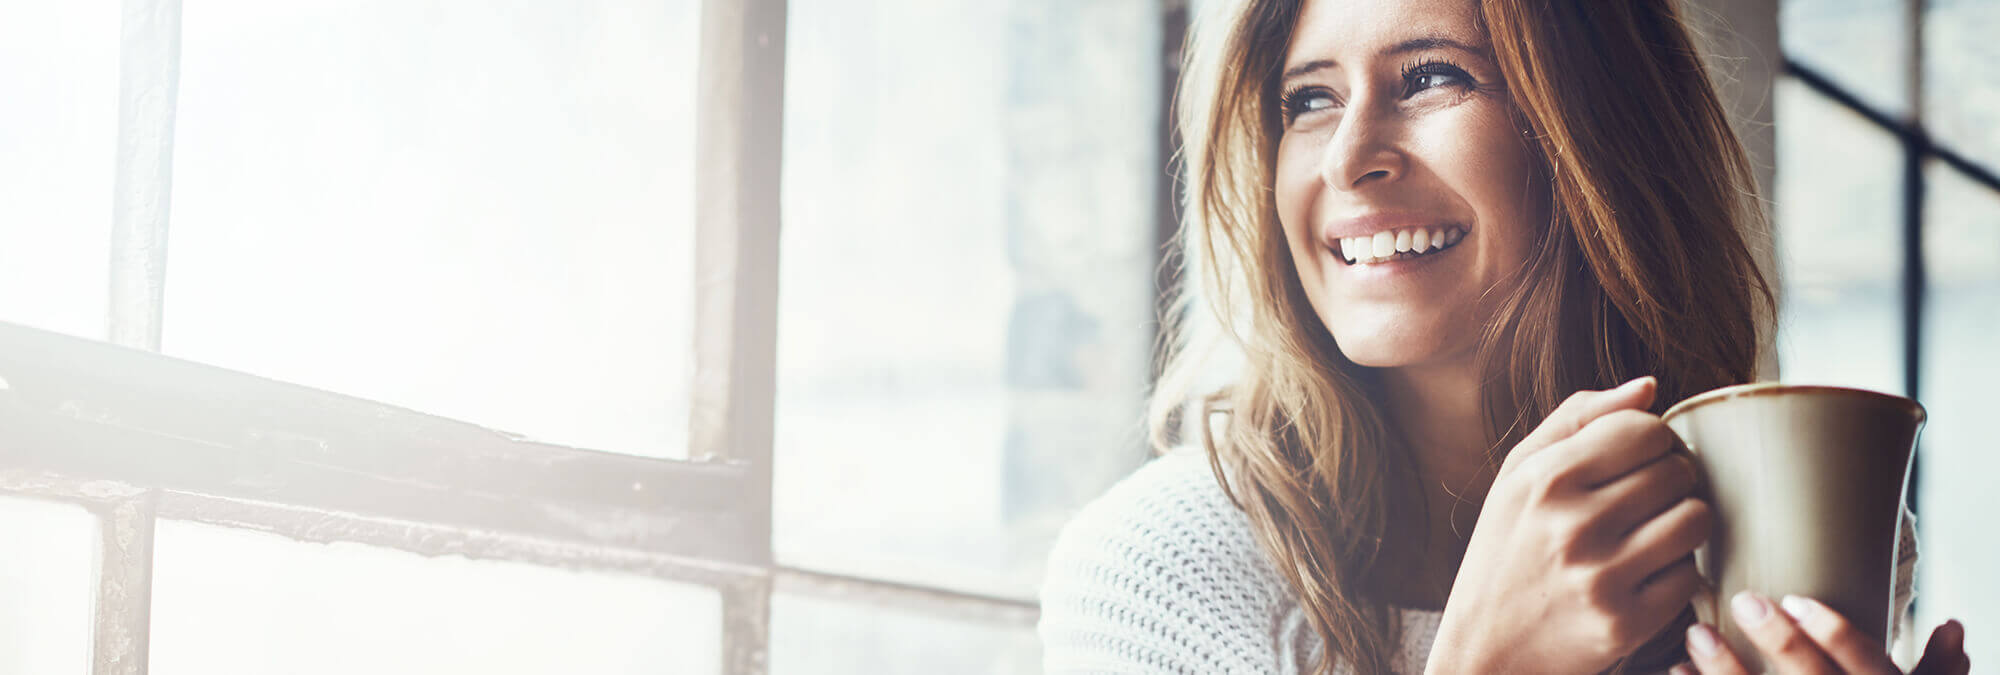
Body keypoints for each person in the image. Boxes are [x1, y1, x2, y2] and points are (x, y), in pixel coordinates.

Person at [1035, 0, 1973, 673]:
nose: (1351, 157)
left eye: (1432, 76)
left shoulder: (1799, 536)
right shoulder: (1157, 570)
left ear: (1598, 130)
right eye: (1308, 100)